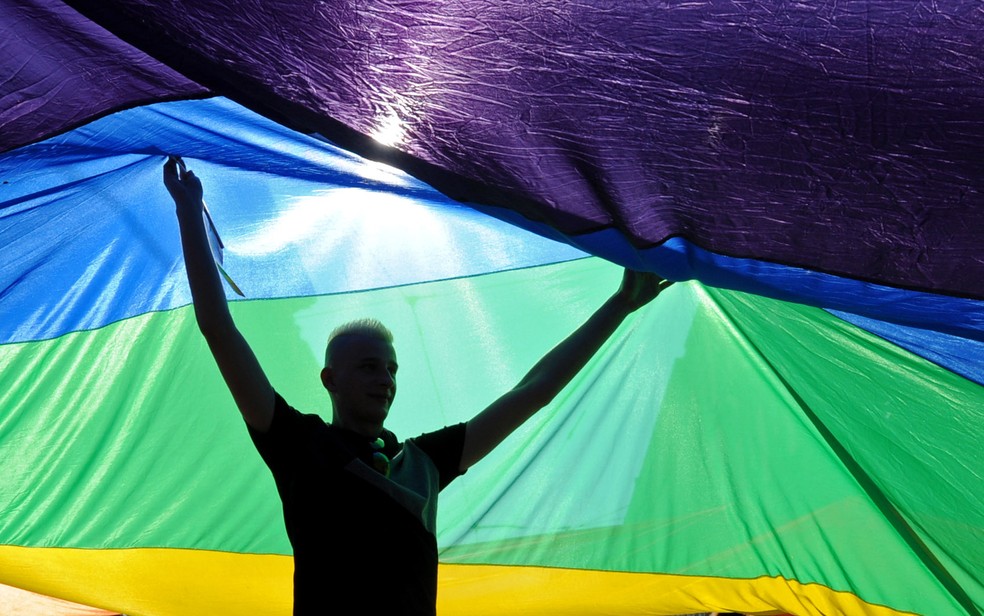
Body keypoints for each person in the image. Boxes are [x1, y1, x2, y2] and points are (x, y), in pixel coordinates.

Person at [163, 155, 672, 615]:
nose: (385, 379)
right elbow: (219, 329)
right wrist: (188, 213)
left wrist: (619, 306)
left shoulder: (424, 463)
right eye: (369, 367)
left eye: (391, 369)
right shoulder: (299, 444)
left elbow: (533, 391)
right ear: (330, 379)